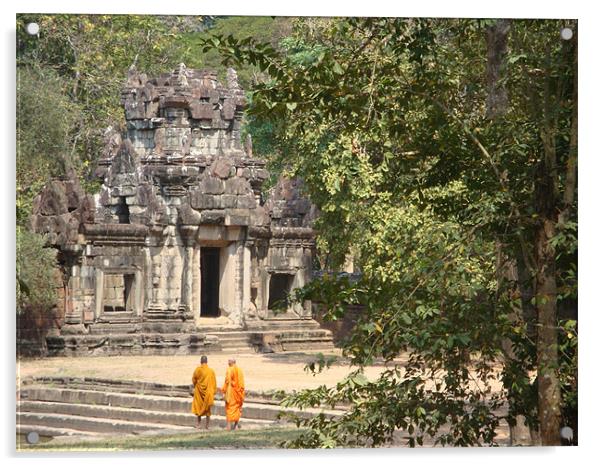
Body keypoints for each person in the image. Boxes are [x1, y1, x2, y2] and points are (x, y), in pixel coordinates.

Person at [191, 355, 217, 430]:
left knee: (198, 407)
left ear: (201, 361)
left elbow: (194, 379)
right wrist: (214, 391)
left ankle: (198, 425)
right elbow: (214, 382)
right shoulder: (211, 371)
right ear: (207, 362)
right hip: (208, 392)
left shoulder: (197, 370)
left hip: (199, 391)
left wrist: (196, 385)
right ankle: (207, 425)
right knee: (207, 409)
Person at [220, 358, 245, 430]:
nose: (228, 362)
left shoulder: (229, 370)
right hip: (238, 393)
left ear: (232, 362)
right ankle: (236, 426)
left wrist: (224, 391)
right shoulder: (239, 370)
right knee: (237, 408)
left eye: (229, 361)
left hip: (231, 393)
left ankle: (228, 426)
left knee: (229, 408)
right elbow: (241, 384)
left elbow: (227, 382)